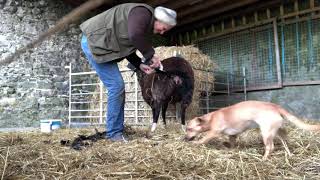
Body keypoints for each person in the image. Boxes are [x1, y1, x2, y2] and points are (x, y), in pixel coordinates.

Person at [80, 3, 177, 142]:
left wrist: (139, 64)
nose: (162, 32)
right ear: (159, 20)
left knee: (118, 87)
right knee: (116, 86)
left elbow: (125, 44)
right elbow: (135, 35)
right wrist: (150, 55)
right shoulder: (142, 13)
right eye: (164, 28)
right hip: (94, 42)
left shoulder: (142, 23)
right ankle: (113, 134)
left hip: (103, 44)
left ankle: (116, 130)